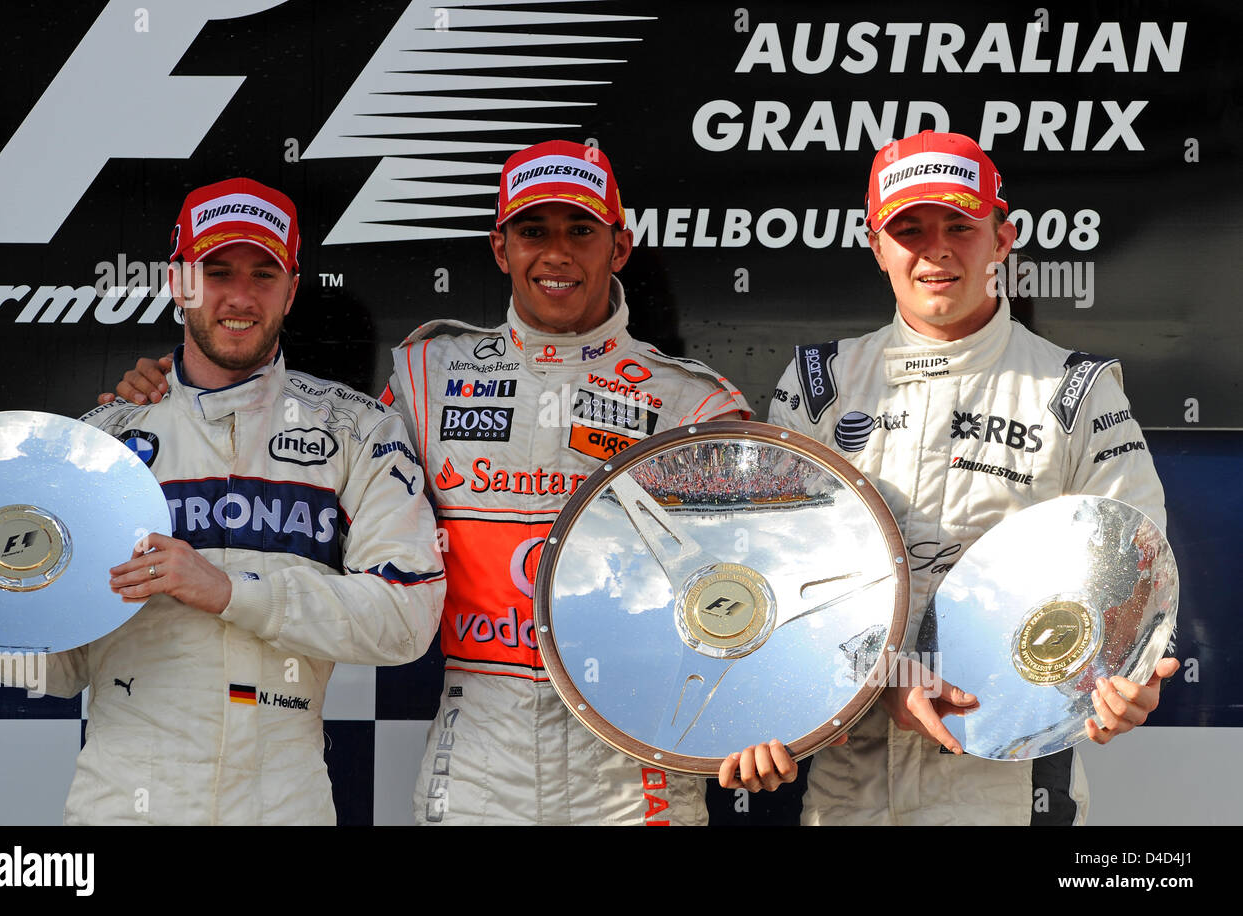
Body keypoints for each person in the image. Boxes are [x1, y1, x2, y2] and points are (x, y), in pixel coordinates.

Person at [106, 144, 752, 825]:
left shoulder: (695, 406)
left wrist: (751, 716)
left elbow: (743, 591)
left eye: (581, 231)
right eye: (534, 231)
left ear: (619, 246)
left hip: (632, 770)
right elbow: (314, 468)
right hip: (473, 764)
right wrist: (167, 399)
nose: (556, 254)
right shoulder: (427, 375)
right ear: (501, 249)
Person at [736, 131, 1177, 824]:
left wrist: (1130, 675)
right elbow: (775, 582)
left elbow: (1134, 569)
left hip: (1010, 787)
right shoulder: (819, 385)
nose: (935, 249)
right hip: (847, 789)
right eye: (908, 228)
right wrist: (885, 684)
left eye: (959, 226)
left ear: (1002, 238)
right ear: (876, 244)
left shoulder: (1076, 391)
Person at [0, 177, 447, 825]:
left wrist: (231, 590)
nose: (239, 295)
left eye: (263, 273)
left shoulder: (360, 432)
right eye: (216, 270)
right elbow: (59, 669)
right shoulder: (101, 443)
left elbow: (406, 618)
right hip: (124, 806)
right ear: (179, 283)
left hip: (284, 802)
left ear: (291, 289)